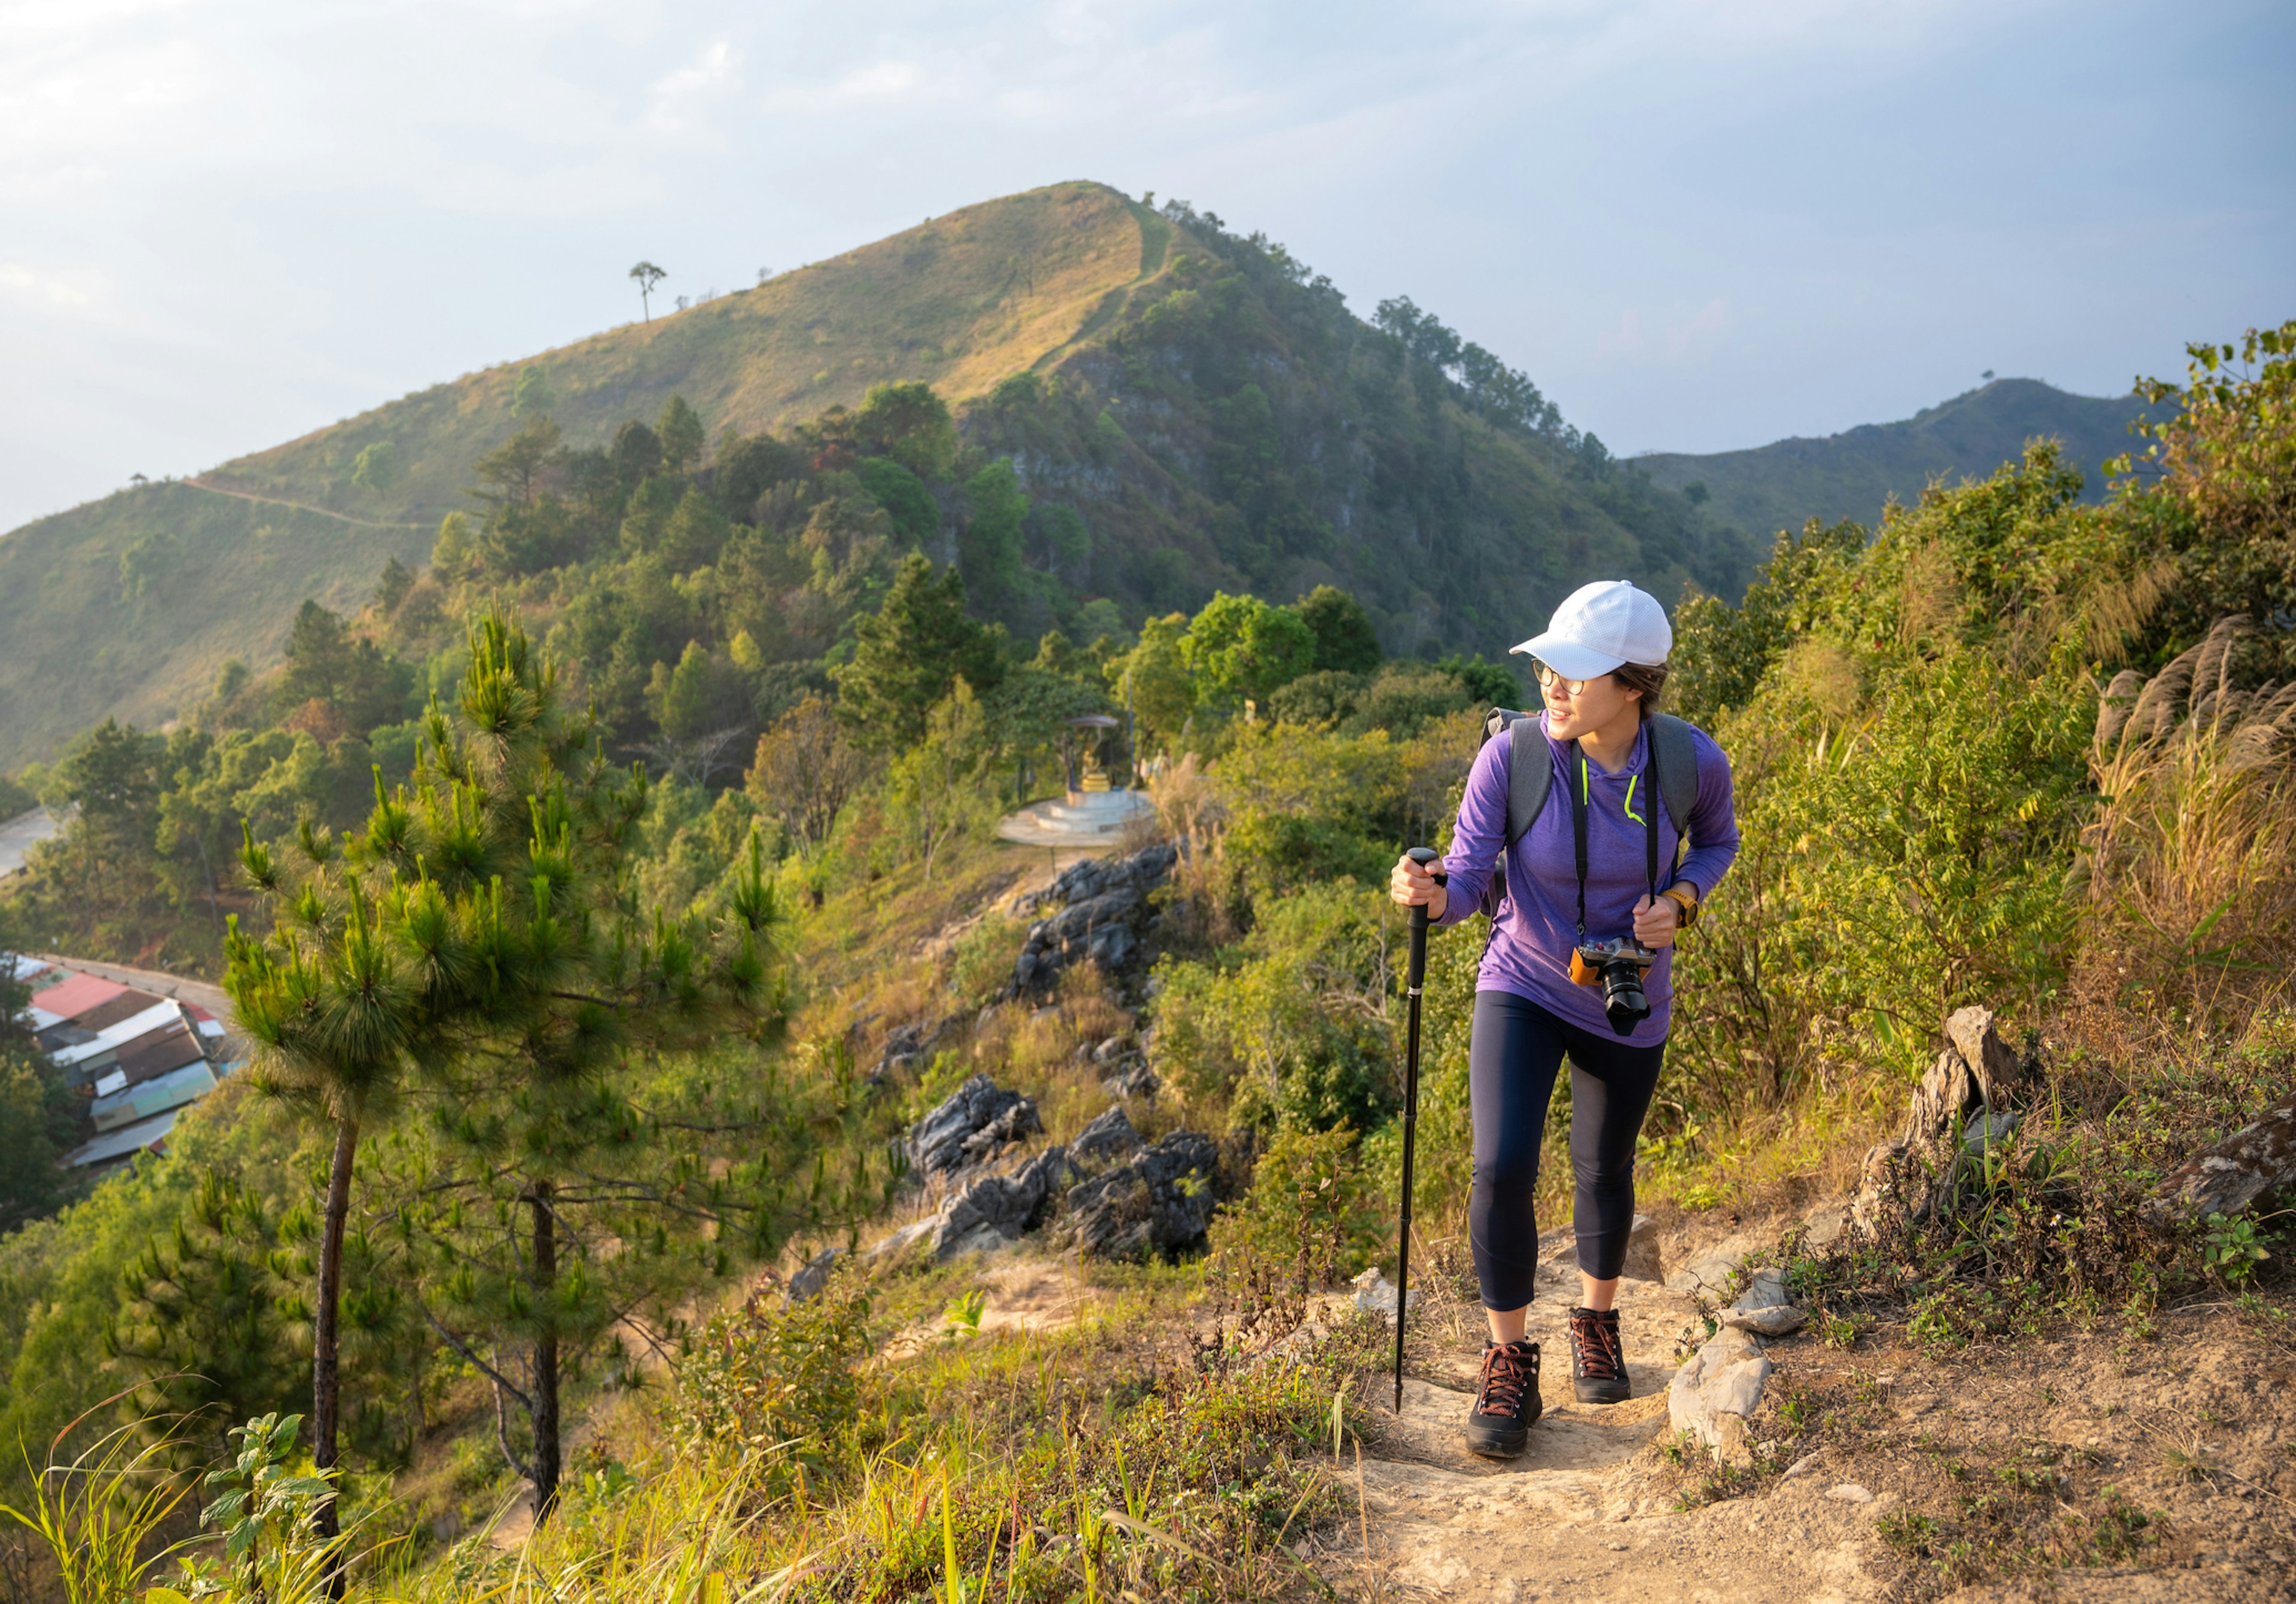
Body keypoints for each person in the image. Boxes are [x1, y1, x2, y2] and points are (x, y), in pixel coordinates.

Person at [1388, 580, 1738, 1459]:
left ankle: (1596, 1318)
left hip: (1629, 992)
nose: (1551, 682)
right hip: (1525, 978)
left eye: (1574, 673)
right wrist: (1429, 897)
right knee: (1501, 1164)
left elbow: (1719, 840)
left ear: (1632, 686)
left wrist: (1684, 901)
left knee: (1602, 1166)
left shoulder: (1692, 763)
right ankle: (1509, 1359)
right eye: (1548, 664)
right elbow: (1467, 877)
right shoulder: (1512, 758)